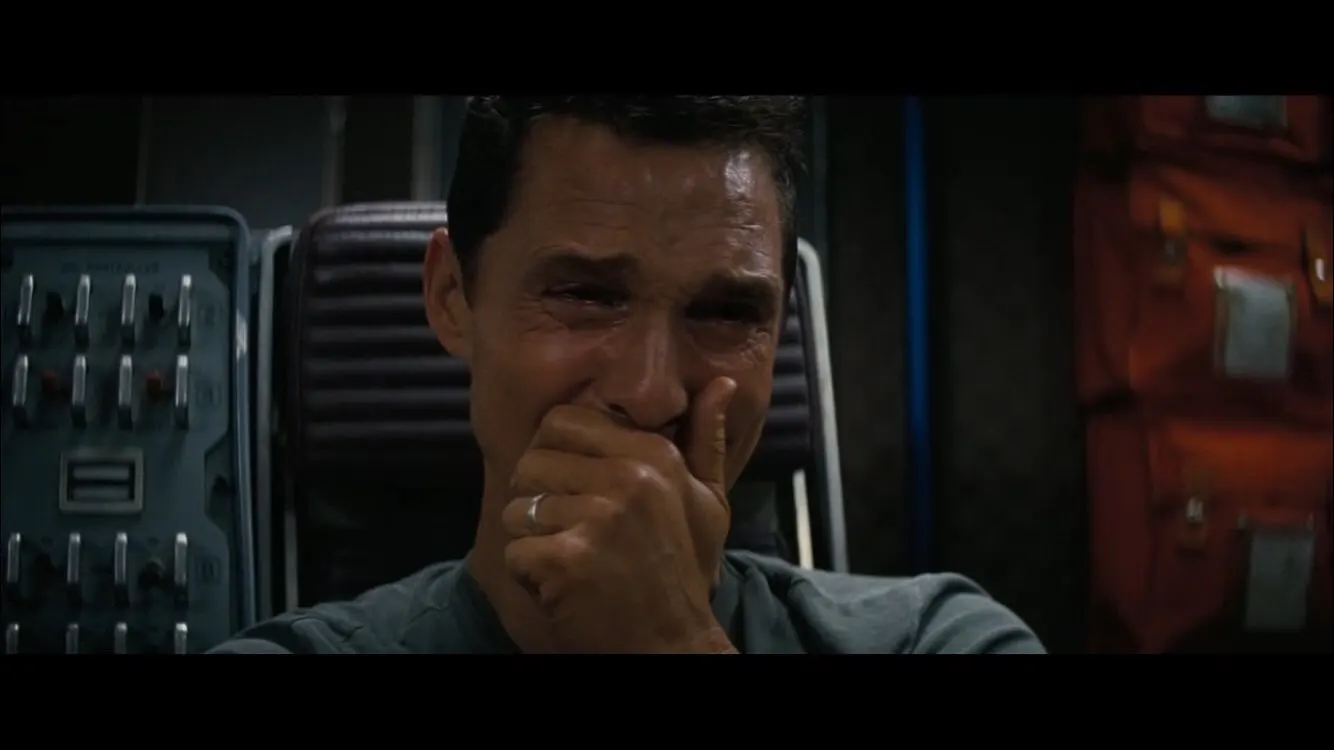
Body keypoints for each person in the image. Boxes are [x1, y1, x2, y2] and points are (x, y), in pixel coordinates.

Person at [211, 96, 1045, 654]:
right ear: (452, 297)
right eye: (584, 295)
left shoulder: (942, 638)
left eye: (726, 312)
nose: (651, 393)